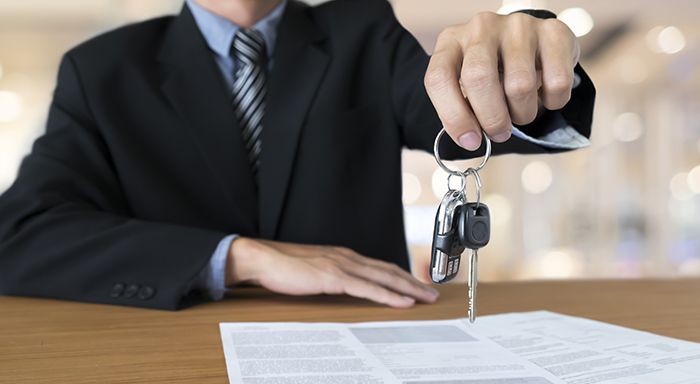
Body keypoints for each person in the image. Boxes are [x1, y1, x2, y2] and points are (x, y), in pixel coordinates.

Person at [0, 0, 594, 310]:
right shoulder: (103, 69)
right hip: (170, 361)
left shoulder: (363, 33)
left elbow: (466, 108)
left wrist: (525, 61)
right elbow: (18, 236)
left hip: (366, 337)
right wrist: (236, 257)